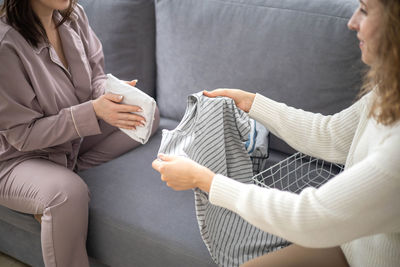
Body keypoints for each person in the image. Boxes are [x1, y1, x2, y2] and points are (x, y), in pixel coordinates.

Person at [152, 0, 400, 266]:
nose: (352, 22)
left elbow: (309, 218)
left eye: (363, 9)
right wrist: (252, 103)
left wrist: (206, 181)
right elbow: (331, 136)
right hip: (348, 247)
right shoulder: (388, 91)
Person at [0, 0, 159, 266]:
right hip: (14, 158)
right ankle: (59, 179)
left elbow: (95, 76)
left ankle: (66, 168)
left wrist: (111, 95)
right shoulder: (5, 45)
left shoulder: (72, 14)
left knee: (145, 114)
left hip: (64, 140)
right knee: (68, 193)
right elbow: (21, 135)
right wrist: (93, 111)